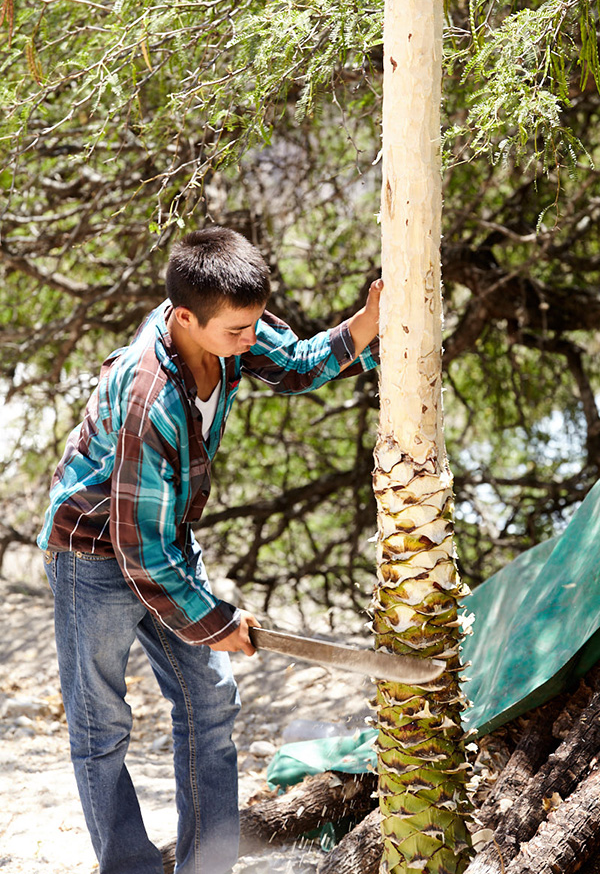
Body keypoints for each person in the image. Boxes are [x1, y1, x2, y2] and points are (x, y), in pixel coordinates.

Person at [38, 226, 381, 874]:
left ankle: (206, 867)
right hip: (93, 555)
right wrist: (216, 622)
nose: (250, 340)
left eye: (254, 325)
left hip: (159, 539)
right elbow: (139, 556)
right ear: (185, 319)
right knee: (101, 726)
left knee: (210, 703)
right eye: (237, 332)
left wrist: (367, 324)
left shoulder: (228, 323)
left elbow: (296, 363)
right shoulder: (151, 398)